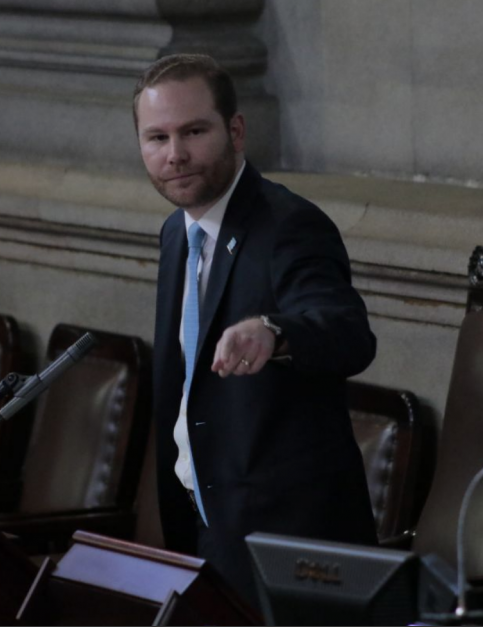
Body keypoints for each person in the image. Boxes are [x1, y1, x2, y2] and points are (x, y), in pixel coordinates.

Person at [134, 53, 379, 605]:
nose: (175, 155)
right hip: (207, 528)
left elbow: (346, 331)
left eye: (194, 131)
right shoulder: (177, 232)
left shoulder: (290, 225)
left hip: (287, 547)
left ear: (236, 130)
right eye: (156, 138)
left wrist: (274, 330)